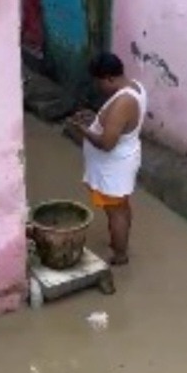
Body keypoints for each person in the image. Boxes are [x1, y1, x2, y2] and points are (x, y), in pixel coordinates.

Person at [66, 52, 149, 266]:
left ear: (109, 78)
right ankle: (119, 244)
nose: (98, 87)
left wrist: (82, 129)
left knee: (116, 211)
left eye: (99, 81)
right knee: (121, 206)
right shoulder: (134, 86)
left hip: (114, 166)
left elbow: (106, 143)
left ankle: (120, 255)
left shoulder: (123, 102)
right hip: (123, 159)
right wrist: (97, 119)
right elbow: (118, 126)